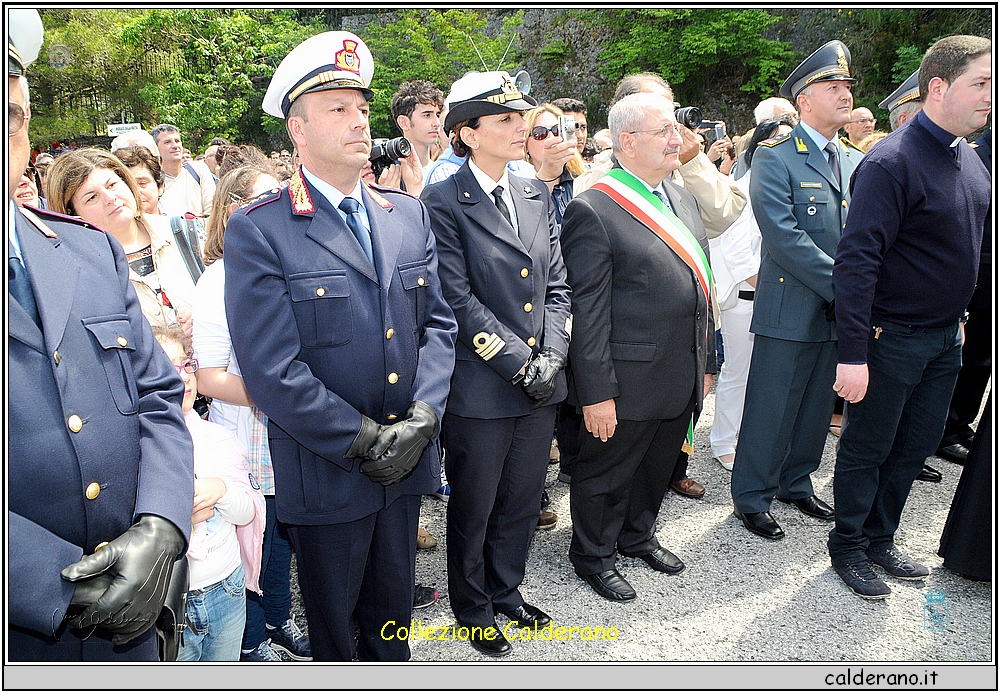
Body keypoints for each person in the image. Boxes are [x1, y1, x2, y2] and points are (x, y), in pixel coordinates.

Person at [225, 31, 457, 661]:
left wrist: (424, 418)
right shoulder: (261, 228)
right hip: (328, 470)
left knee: (392, 622)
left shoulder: (406, 213)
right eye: (338, 109)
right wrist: (361, 439)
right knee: (334, 634)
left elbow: (437, 325)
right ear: (298, 130)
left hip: (407, 459)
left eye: (361, 107)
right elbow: (271, 368)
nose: (359, 121)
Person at [7, 9, 193, 660]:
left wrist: (162, 524)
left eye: (11, 114)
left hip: (135, 616)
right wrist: (53, 584)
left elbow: (158, 399)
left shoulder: (89, 252)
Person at [829, 35, 991, 599]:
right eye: (981, 83)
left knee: (914, 445)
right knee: (868, 447)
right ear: (938, 87)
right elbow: (856, 262)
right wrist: (852, 354)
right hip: (888, 336)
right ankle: (847, 546)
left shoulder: (967, 157)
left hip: (946, 339)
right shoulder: (890, 161)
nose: (990, 96)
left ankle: (880, 538)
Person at [420, 70, 571, 657]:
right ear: (467, 133)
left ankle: (507, 591)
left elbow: (557, 284)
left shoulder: (535, 190)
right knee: (476, 502)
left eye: (520, 117)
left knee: (522, 498)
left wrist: (553, 355)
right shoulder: (443, 200)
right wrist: (518, 362)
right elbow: (454, 296)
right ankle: (474, 607)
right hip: (484, 382)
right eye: (504, 120)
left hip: (541, 379)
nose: (520, 127)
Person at [560, 92, 713, 602]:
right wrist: (597, 393)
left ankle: (637, 535)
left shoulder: (681, 195)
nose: (679, 139)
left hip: (679, 368)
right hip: (626, 378)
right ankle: (593, 554)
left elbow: (700, 288)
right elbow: (589, 313)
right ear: (628, 141)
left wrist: (707, 360)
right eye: (665, 131)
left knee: (657, 466)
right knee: (607, 473)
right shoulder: (594, 208)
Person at [730, 40, 865, 542]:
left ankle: (796, 481)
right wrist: (846, 287)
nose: (844, 95)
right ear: (804, 99)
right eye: (833, 87)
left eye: (847, 86)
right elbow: (784, 236)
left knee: (814, 408)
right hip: (792, 305)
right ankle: (751, 495)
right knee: (772, 405)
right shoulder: (776, 158)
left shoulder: (852, 159)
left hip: (836, 311)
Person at [193, 162, 313, 662]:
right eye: (263, 199)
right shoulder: (218, 281)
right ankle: (250, 639)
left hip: (291, 425)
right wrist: (282, 395)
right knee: (250, 538)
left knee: (280, 534)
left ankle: (279, 618)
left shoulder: (291, 260)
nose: (277, 208)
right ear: (232, 210)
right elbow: (208, 376)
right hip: (251, 428)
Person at [151, 325, 266, 662]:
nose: (184, 376)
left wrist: (221, 490)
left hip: (226, 587)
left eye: (186, 364)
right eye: (166, 368)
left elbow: (248, 512)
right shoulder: (140, 451)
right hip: (172, 599)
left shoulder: (219, 439)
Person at [709, 116, 796, 473]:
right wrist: (772, 292)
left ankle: (750, 437)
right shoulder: (742, 189)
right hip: (747, 298)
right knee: (738, 372)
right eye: (779, 141)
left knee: (766, 376)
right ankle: (724, 441)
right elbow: (738, 252)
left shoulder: (784, 189)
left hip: (773, 299)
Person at [45, 148, 198, 350]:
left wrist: (206, 319)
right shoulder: (76, 272)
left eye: (113, 184)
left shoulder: (187, 231)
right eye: (92, 197)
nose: (110, 198)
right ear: (71, 214)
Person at [935, 125, 992, 466]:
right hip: (977, 265)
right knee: (967, 352)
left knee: (983, 355)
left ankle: (960, 422)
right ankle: (943, 430)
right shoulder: (972, 155)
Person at [150, 123, 216, 217]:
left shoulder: (198, 170)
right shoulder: (152, 180)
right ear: (155, 148)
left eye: (177, 141)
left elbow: (212, 210)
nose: (175, 146)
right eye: (167, 142)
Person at [390, 80, 444, 172]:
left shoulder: (444, 173)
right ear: (404, 122)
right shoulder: (388, 175)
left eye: (437, 115)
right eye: (427, 115)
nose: (437, 123)